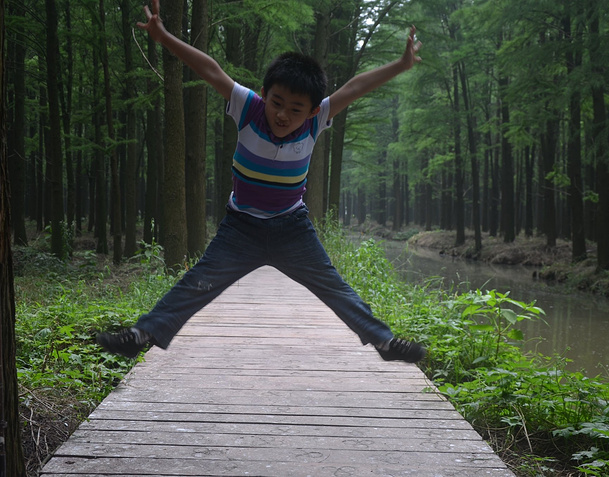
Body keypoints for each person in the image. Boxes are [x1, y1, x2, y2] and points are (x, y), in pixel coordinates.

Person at [96, 0, 426, 363]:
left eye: (295, 109)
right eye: (276, 102)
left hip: (292, 229)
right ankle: (141, 334)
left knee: (335, 287)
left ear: (313, 111)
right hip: (241, 229)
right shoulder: (249, 108)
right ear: (264, 94)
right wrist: (164, 37)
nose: (283, 115)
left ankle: (384, 342)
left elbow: (355, 86)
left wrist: (401, 65)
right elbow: (210, 68)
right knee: (198, 282)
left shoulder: (317, 121)